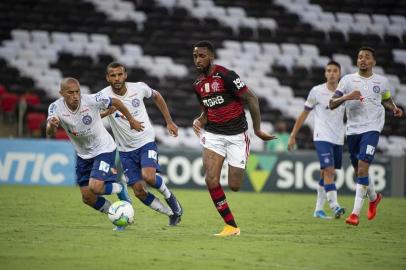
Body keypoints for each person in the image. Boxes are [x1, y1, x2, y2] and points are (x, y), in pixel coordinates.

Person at [192, 41, 276, 236]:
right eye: (195, 56)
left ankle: (231, 224)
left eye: (202, 55)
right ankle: (231, 226)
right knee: (211, 179)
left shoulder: (226, 75)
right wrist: (200, 120)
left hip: (237, 135)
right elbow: (207, 110)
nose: (198, 59)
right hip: (213, 135)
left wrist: (257, 130)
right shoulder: (197, 84)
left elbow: (252, 98)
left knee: (235, 185)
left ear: (211, 56)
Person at [46, 77, 143, 230]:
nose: (75, 95)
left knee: (96, 187)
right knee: (88, 197)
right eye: (70, 93)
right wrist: (52, 125)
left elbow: (116, 102)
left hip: (104, 149)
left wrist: (131, 120)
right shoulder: (55, 108)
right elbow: (50, 132)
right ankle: (119, 214)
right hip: (83, 155)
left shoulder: (91, 100)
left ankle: (119, 188)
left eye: (77, 91)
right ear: (61, 93)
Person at [99, 62, 183, 226]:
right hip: (124, 150)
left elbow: (157, 96)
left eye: (119, 74)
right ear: (107, 78)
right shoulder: (103, 96)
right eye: (113, 75)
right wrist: (107, 112)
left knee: (149, 177)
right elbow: (94, 115)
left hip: (145, 142)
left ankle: (171, 199)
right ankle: (172, 214)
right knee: (138, 191)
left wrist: (169, 121)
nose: (117, 78)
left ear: (125, 75)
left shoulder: (138, 88)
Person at [329, 47, 404, 226]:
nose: (362, 60)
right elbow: (332, 103)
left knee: (363, 168)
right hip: (353, 130)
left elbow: (385, 98)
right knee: (359, 172)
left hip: (372, 128)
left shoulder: (382, 81)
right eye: (360, 57)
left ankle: (355, 214)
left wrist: (393, 107)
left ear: (373, 62)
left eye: (367, 57)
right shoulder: (347, 80)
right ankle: (374, 197)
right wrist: (347, 97)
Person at [288, 61, 346, 220]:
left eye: (335, 70)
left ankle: (318, 210)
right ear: (325, 73)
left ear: (339, 73)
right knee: (329, 170)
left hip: (338, 138)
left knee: (326, 173)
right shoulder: (316, 91)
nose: (332, 73)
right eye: (329, 70)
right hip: (322, 136)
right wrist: (293, 135)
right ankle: (335, 206)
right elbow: (304, 114)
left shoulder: (346, 92)